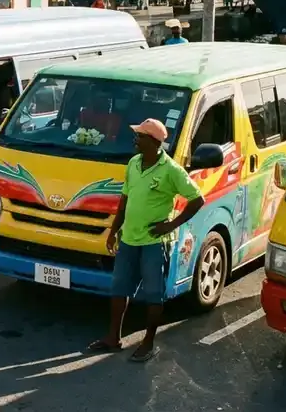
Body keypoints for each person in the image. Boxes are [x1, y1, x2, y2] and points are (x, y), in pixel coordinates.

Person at [88, 118, 205, 363]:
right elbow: (125, 200)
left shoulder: (171, 170)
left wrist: (171, 225)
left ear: (153, 141)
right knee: (119, 289)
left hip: (154, 243)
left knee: (154, 294)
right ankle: (113, 338)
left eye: (140, 136)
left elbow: (197, 199)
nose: (135, 139)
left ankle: (149, 342)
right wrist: (113, 230)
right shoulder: (133, 163)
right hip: (129, 240)